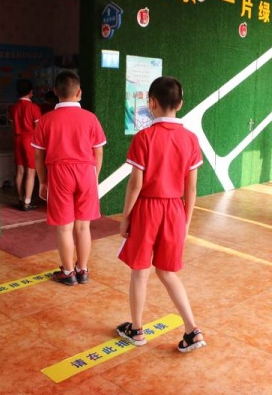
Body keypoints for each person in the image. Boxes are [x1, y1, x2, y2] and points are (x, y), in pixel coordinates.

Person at [116, 76, 207, 353]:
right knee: (167, 271)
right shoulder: (190, 139)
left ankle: (137, 330)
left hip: (147, 209)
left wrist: (125, 216)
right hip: (175, 210)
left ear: (151, 103)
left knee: (140, 271)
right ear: (180, 103)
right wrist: (186, 221)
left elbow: (135, 184)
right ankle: (192, 330)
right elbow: (191, 188)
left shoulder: (144, 137)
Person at [32, 70, 106, 285]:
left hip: (59, 173)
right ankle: (83, 270)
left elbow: (39, 156)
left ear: (55, 91)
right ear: (79, 92)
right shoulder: (91, 118)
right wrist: (93, 177)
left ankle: (68, 273)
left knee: (65, 227)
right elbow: (98, 152)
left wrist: (43, 181)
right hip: (86, 172)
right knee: (83, 227)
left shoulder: (45, 120)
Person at [9, 79, 42, 211]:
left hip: (17, 139)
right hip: (30, 140)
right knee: (31, 171)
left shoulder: (13, 107)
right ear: (31, 92)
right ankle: (27, 203)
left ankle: (20, 199)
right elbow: (38, 129)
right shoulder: (34, 108)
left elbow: (12, 126)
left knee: (19, 171)